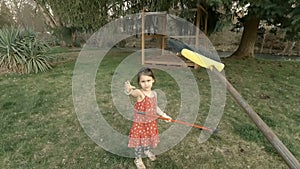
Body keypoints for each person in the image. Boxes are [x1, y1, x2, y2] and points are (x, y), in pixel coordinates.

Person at [124, 67, 172, 169]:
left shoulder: (154, 94)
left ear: (153, 80)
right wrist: (128, 90)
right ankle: (137, 159)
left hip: (150, 122)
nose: (146, 84)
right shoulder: (140, 93)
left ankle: (146, 151)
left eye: (148, 80)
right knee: (138, 142)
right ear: (139, 83)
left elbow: (155, 107)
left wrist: (164, 115)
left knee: (148, 138)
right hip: (140, 124)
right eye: (143, 81)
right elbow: (133, 93)